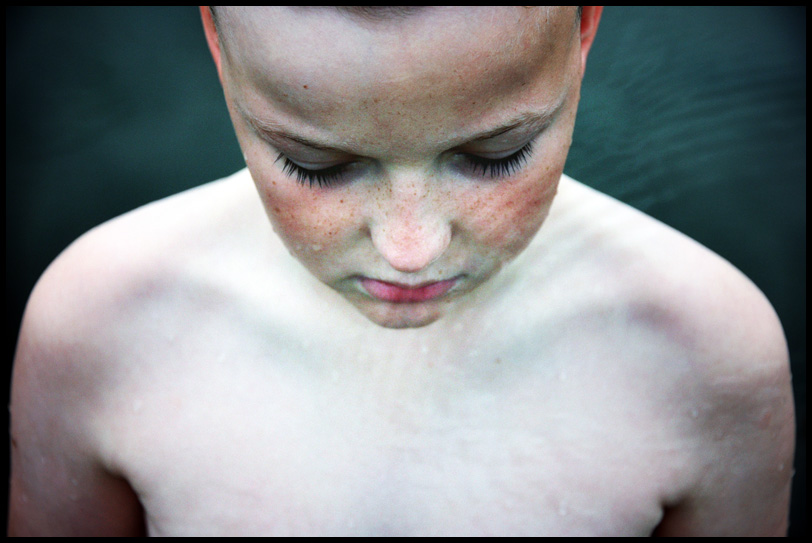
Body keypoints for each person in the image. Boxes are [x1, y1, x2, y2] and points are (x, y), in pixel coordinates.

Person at [8, 6, 794, 536]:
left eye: (496, 155)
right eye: (315, 164)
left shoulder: (705, 353)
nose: (410, 248)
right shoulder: (100, 326)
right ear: (218, 39)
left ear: (584, 25)